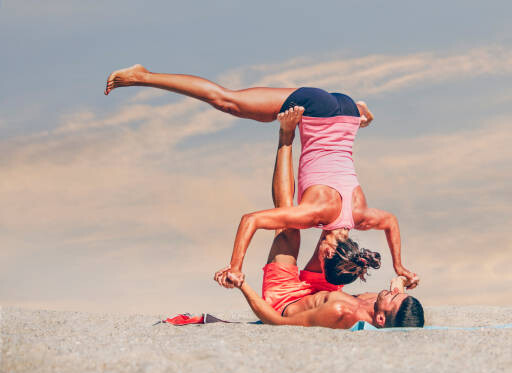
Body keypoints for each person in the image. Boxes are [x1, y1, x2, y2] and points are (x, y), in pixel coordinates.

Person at [105, 65, 419, 288]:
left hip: (348, 113)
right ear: (327, 254)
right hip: (317, 109)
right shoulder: (313, 214)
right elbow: (250, 220)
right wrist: (235, 267)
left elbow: (391, 222)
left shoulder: (361, 216)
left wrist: (399, 265)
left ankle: (362, 110)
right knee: (227, 101)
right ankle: (142, 76)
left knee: (235, 104)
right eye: (320, 262)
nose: (315, 260)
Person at [214, 109, 423, 329]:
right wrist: (401, 272)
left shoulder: (340, 313)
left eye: (393, 298)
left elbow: (277, 321)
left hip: (286, 299)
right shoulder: (383, 303)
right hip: (322, 290)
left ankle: (286, 135)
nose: (392, 293)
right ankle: (340, 130)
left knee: (287, 225)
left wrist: (242, 283)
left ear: (380, 319)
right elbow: (396, 289)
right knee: (339, 227)